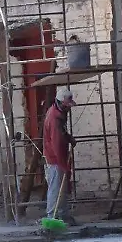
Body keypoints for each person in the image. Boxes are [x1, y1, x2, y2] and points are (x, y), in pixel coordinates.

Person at [43, 87, 76, 225]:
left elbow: (62, 133)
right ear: (62, 102)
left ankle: (62, 215)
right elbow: (56, 143)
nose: (69, 108)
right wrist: (63, 164)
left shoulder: (59, 112)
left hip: (58, 156)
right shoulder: (55, 118)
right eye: (68, 105)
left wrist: (69, 138)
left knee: (60, 188)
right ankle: (52, 216)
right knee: (56, 188)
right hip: (55, 158)